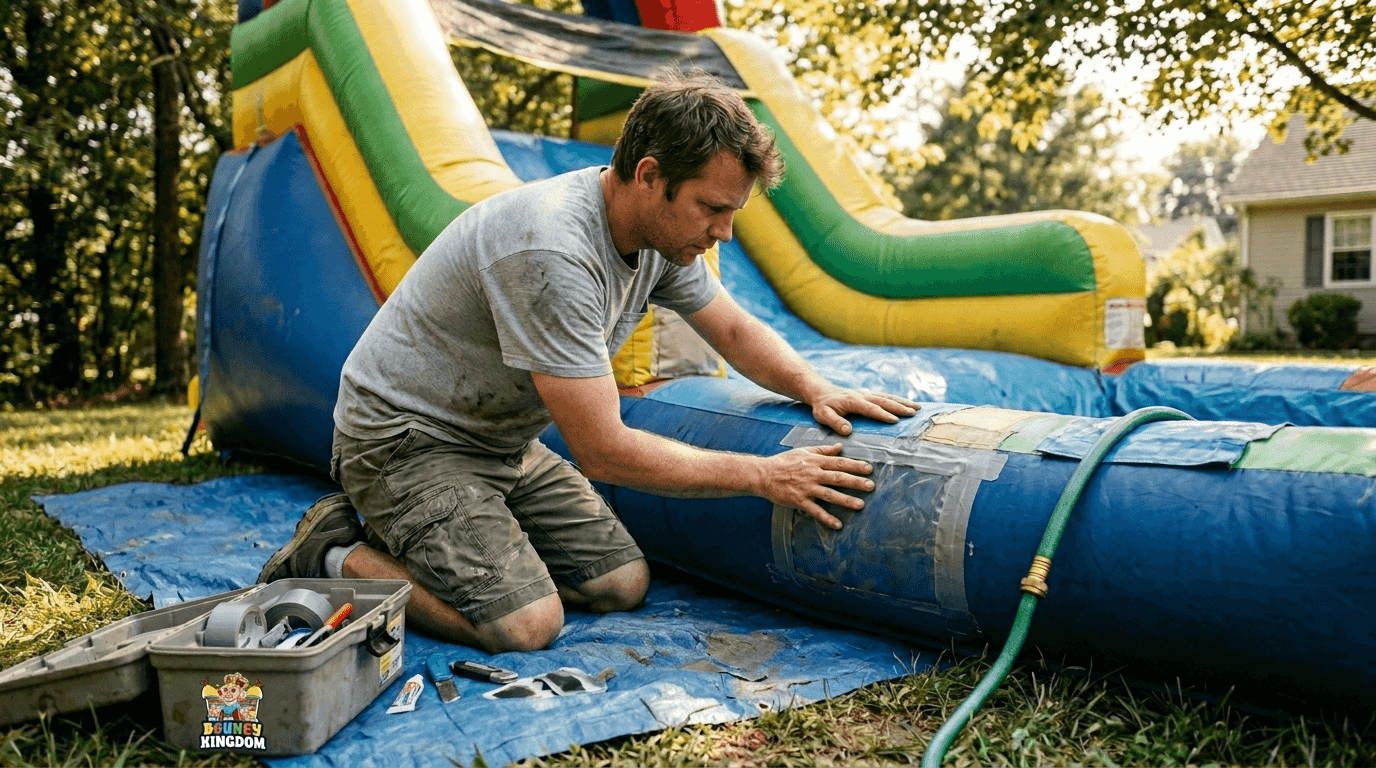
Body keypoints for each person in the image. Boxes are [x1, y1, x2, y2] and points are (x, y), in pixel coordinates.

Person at [257, 71, 920, 653]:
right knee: (526, 625)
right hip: (406, 442)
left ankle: (458, 543)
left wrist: (815, 387)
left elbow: (735, 331)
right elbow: (603, 451)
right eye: (713, 209)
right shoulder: (553, 250)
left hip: (498, 442)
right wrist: (766, 476)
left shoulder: (661, 237)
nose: (723, 233)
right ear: (649, 175)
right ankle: (331, 552)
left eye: (733, 213)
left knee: (620, 583)